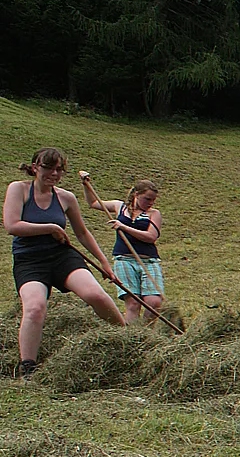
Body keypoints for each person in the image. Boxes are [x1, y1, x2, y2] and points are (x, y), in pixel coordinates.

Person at [4, 148, 125, 377]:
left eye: (59, 169)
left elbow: (82, 234)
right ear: (35, 167)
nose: (54, 173)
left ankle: (129, 338)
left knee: (96, 295)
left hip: (62, 256)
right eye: (49, 167)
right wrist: (51, 228)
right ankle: (27, 367)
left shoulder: (66, 197)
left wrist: (104, 263)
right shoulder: (18, 189)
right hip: (29, 259)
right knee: (35, 308)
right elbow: (12, 225)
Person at [78, 172, 164, 325]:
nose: (150, 203)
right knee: (133, 303)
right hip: (124, 259)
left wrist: (123, 227)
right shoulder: (120, 207)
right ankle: (132, 336)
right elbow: (93, 203)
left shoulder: (154, 214)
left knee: (154, 302)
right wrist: (85, 184)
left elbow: (151, 237)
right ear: (137, 194)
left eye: (153, 200)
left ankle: (144, 332)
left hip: (148, 260)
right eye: (147, 199)